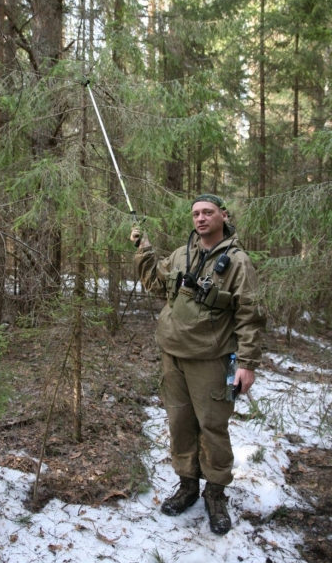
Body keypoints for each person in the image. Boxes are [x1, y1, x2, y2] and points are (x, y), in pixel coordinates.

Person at [130, 194, 265, 535]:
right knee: (179, 422)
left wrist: (246, 363)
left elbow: (250, 316)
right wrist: (144, 249)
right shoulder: (181, 255)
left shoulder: (238, 262)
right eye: (196, 214)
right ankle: (188, 485)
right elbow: (155, 284)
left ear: (223, 215)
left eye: (208, 212)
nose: (201, 218)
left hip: (212, 358)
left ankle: (216, 494)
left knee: (213, 427)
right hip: (172, 354)